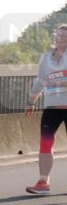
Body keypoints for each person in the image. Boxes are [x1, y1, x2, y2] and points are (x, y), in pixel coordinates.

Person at [25, 23, 67, 195]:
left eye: (64, 36)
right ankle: (43, 182)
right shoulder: (46, 58)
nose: (61, 38)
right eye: (58, 35)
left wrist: (57, 83)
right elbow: (40, 80)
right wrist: (31, 101)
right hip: (51, 108)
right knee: (45, 144)